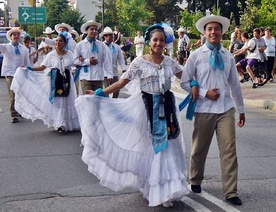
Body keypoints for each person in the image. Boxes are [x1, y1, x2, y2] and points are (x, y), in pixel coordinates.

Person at [75, 23, 199, 208]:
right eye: (155, 40)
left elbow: (186, 77)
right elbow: (121, 82)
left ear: (165, 43)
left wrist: (196, 84)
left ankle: (166, 189)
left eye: (161, 40)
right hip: (146, 108)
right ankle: (152, 185)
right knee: (150, 147)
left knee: (167, 146)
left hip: (167, 109)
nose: (158, 43)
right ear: (149, 42)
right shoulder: (139, 62)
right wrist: (100, 93)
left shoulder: (170, 62)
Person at [180, 14, 245, 206]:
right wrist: (203, 92)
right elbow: (184, 81)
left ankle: (231, 191)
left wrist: (241, 109)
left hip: (225, 109)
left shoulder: (228, 56)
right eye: (210, 29)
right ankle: (195, 179)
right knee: (199, 149)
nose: (213, 32)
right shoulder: (196, 56)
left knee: (229, 150)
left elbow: (234, 85)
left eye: (217, 28)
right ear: (204, 33)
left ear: (221, 32)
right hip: (204, 108)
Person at [10, 32, 80, 133]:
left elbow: (76, 63)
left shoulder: (70, 54)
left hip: (67, 81)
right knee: (58, 102)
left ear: (65, 43)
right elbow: (43, 67)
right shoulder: (51, 55)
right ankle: (60, 123)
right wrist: (29, 69)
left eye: (60, 41)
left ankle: (66, 122)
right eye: (56, 41)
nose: (58, 42)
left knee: (66, 101)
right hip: (55, 80)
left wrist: (82, 62)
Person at [73, 20, 113, 94]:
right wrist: (87, 61)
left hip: (98, 77)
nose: (94, 31)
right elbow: (74, 60)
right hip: (86, 77)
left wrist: (109, 74)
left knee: (98, 100)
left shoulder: (101, 45)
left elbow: (106, 60)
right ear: (86, 31)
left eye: (95, 29)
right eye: (91, 29)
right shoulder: (80, 45)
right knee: (88, 100)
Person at [0, 28, 30, 123]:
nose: (16, 37)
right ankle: (14, 114)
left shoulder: (23, 48)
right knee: (12, 93)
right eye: (14, 35)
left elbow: (27, 62)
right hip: (10, 73)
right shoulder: (6, 47)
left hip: (20, 73)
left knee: (20, 93)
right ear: (11, 37)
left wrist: (27, 71)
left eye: (17, 35)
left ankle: (20, 110)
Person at [100, 26, 127, 98]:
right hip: (104, 73)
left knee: (116, 90)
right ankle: (106, 105)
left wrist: (123, 68)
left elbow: (120, 58)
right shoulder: (101, 46)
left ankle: (114, 103)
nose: (111, 37)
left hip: (114, 72)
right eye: (109, 35)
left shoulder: (116, 47)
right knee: (106, 91)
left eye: (112, 35)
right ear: (104, 37)